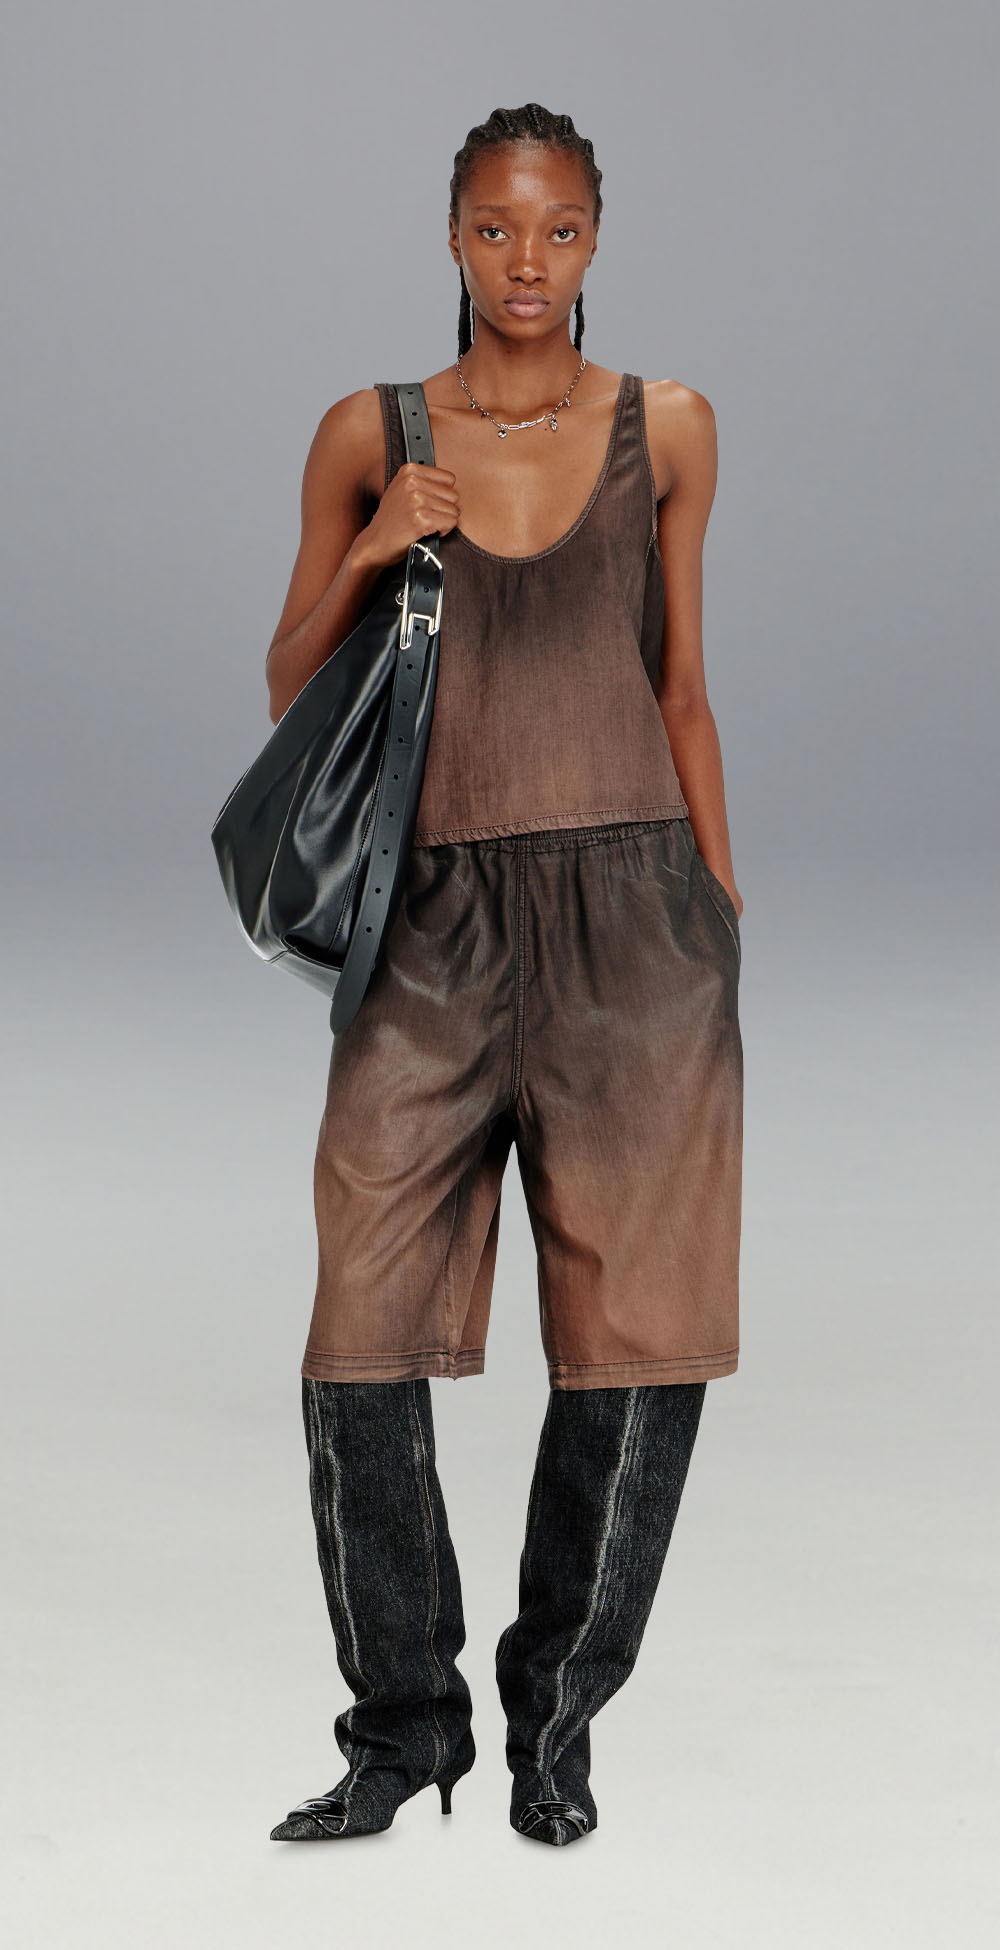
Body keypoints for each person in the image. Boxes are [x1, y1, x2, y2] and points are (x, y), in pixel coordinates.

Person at [263, 102, 743, 1848]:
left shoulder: (666, 427)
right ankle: (404, 1726)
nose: (525, 262)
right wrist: (378, 539)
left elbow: (681, 684)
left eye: (556, 230)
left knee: (641, 1335)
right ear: (451, 233)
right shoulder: (368, 431)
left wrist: (718, 907)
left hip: (636, 923)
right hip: (432, 922)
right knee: (358, 1330)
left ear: (595, 236)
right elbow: (289, 680)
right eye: (492, 228)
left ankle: (557, 1724)